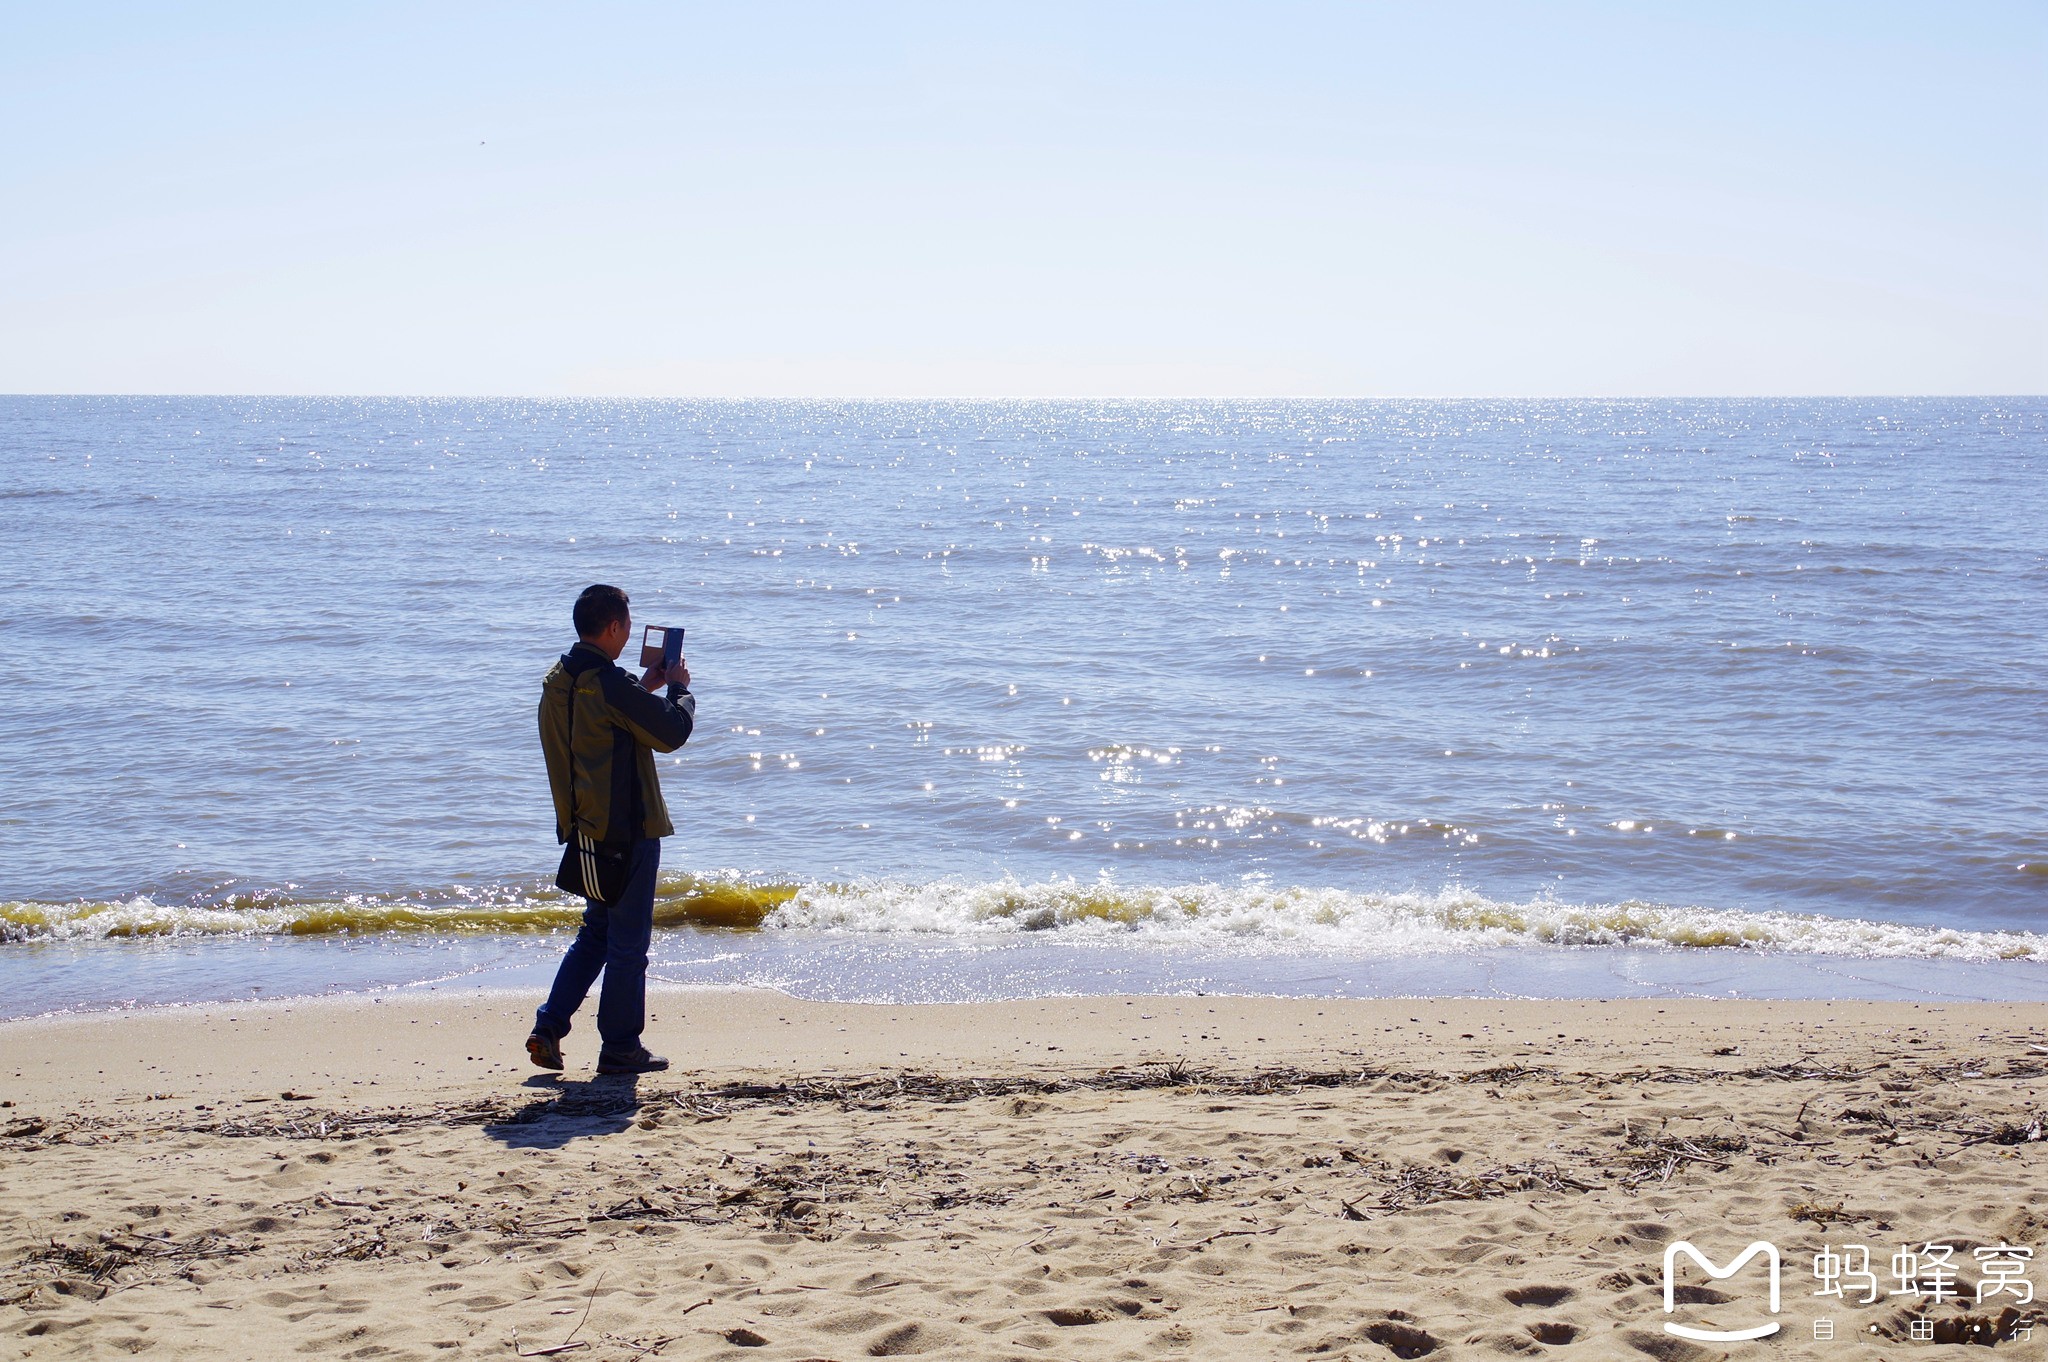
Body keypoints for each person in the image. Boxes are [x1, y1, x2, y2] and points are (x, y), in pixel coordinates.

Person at [527, 584, 695, 1075]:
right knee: (627, 945)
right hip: (626, 830)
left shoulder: (561, 679)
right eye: (626, 624)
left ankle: (549, 1027)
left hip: (584, 826)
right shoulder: (606, 683)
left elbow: (597, 723)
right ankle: (620, 1046)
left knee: (597, 933)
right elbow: (671, 732)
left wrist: (642, 687)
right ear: (616, 627)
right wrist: (679, 689)